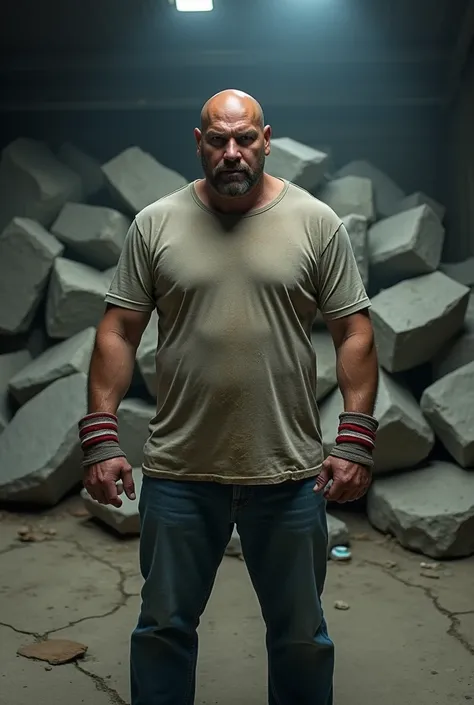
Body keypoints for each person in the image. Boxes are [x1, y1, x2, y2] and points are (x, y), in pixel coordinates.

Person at [80, 89, 379, 705]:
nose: (233, 153)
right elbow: (118, 329)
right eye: (219, 140)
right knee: (163, 628)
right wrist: (101, 435)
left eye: (245, 139)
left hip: (288, 470)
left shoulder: (316, 222)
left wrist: (355, 436)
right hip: (180, 471)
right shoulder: (156, 223)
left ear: (267, 139)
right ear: (199, 144)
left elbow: (355, 330)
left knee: (300, 634)